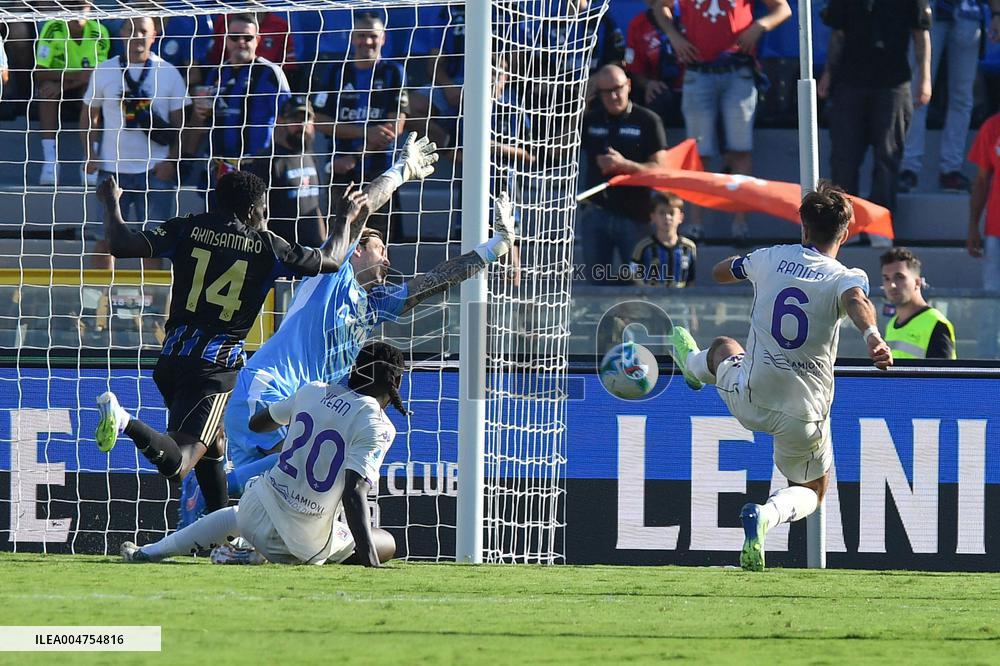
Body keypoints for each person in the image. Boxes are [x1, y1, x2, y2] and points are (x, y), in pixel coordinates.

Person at [179, 189, 515, 527]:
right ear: (355, 252)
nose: (387, 260)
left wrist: (494, 248)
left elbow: (434, 282)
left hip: (297, 404)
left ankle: (206, 512)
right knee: (296, 467)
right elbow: (360, 210)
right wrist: (401, 172)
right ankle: (205, 485)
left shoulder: (373, 306)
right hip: (269, 389)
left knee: (271, 491)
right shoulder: (331, 275)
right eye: (379, 250)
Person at [91, 170, 372, 518]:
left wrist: (111, 202)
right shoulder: (268, 246)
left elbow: (121, 244)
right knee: (181, 462)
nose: (266, 216)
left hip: (172, 358)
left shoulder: (187, 227)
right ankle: (123, 421)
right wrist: (344, 218)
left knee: (215, 446)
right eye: (265, 209)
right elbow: (330, 259)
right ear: (254, 209)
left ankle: (215, 530)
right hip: (214, 367)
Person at [666, 181, 893, 571]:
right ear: (846, 233)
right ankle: (766, 516)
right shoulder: (844, 276)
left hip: (750, 399)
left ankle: (693, 366)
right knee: (812, 491)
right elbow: (857, 301)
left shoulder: (770, 258)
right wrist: (873, 337)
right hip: (802, 415)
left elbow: (721, 272)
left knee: (723, 347)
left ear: (803, 228)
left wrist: (744, 267)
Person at [121, 341, 405, 567]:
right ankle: (254, 553)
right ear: (394, 384)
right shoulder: (377, 424)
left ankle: (152, 551)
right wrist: (371, 564)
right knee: (386, 543)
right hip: (303, 538)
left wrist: (303, 418)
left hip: (256, 508)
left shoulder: (313, 391)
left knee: (236, 515)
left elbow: (257, 423)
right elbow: (354, 490)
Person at [652, 0, 792, 242]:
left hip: (738, 70)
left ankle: (740, 225)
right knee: (697, 153)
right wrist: (674, 36)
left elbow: (783, 8)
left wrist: (759, 25)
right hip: (698, 70)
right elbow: (659, 6)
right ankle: (695, 225)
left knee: (741, 151)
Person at [81, 17, 187, 271]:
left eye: (143, 31)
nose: (136, 36)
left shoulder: (168, 72)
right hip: (111, 171)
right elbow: (89, 115)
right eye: (130, 29)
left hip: (156, 171)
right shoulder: (105, 69)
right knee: (105, 241)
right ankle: (99, 306)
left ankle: (151, 308)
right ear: (121, 33)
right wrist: (90, 153)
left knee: (154, 244)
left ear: (154, 35)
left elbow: (182, 123)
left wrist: (172, 160)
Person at [819, 0, 932, 235]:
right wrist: (828, 74)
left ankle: (879, 226)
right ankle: (842, 226)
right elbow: (838, 35)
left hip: (894, 83)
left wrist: (925, 78)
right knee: (844, 158)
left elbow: (920, 34)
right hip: (850, 82)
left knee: (888, 157)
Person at [311, 11, 409, 241]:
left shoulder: (393, 72)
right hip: (340, 170)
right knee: (339, 238)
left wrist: (356, 155)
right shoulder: (336, 72)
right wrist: (366, 132)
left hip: (380, 171)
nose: (367, 41)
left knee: (377, 240)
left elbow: (395, 127)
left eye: (373, 36)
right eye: (361, 35)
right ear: (352, 38)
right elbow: (320, 121)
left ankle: (377, 279)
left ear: (383, 38)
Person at [579, 64, 669, 285]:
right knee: (597, 283)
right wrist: (579, 106)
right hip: (597, 214)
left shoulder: (647, 120)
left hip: (635, 216)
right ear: (598, 93)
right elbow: (557, 150)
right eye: (606, 92)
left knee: (640, 283)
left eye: (618, 88)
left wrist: (624, 165)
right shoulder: (591, 119)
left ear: (628, 85)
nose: (613, 96)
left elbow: (661, 171)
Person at [184, 13, 291, 191]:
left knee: (255, 218)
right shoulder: (216, 74)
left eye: (247, 37)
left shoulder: (271, 73)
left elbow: (288, 119)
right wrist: (188, 156)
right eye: (234, 37)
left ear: (257, 40)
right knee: (217, 217)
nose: (240, 42)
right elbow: (202, 118)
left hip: (256, 166)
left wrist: (281, 161)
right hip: (220, 168)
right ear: (226, 40)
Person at [899, 1, 983, 193]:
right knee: (918, 91)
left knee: (962, 97)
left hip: (967, 12)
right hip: (929, 10)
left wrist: (996, 13)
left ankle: (951, 169)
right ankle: (909, 167)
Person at [33, 0, 111, 186]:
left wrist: (64, 84)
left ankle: (90, 159)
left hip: (82, 90)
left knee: (92, 92)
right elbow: (39, 72)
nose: (77, 12)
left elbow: (98, 74)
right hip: (59, 88)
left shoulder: (99, 32)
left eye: (81, 7)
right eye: (71, 6)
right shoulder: (52, 28)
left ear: (90, 8)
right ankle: (50, 161)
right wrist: (73, 78)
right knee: (46, 92)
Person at [244, 96, 324, 246]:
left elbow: (315, 207)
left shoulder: (310, 155)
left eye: (307, 118)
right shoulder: (267, 160)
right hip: (283, 254)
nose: (302, 124)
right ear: (281, 120)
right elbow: (256, 214)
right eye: (295, 119)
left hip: (313, 253)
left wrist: (323, 243)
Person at [880, 247, 956, 359]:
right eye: (887, 278)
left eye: (899, 277)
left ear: (917, 282)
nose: (892, 285)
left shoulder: (936, 324)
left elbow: (942, 375)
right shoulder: (891, 324)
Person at [967, 107, 1000, 357]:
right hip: (995, 231)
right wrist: (973, 226)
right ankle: (986, 363)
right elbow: (981, 180)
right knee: (991, 303)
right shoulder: (993, 126)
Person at [630, 191, 697, 287]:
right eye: (662, 213)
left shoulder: (689, 247)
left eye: (671, 213)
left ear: (680, 217)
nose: (667, 217)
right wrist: (646, 289)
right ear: (653, 217)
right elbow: (633, 273)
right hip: (652, 299)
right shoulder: (643, 246)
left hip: (680, 300)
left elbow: (691, 280)